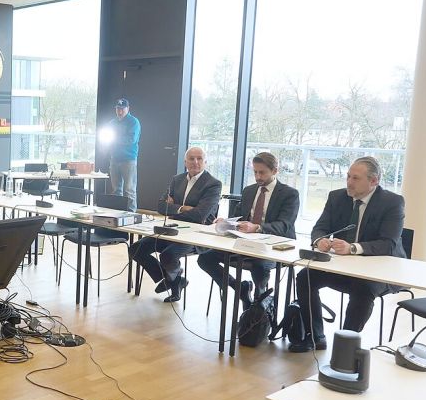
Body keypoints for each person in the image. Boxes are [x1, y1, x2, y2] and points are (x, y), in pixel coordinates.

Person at [292, 156, 405, 352]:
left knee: (363, 289)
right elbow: (319, 228)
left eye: (355, 178)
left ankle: (344, 347)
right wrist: (321, 241)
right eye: (348, 176)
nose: (349, 183)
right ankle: (315, 336)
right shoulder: (337, 197)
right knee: (305, 277)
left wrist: (353, 248)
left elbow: (388, 244)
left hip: (380, 270)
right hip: (343, 266)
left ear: (374, 181)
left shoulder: (392, 202)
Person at [197, 152, 299, 309]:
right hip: (244, 244)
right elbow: (238, 216)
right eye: (255, 172)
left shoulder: (289, 194)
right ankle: (239, 288)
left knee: (259, 265)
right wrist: (226, 222)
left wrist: (258, 227)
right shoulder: (249, 191)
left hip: (273, 248)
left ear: (275, 171)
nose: (258, 177)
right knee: (205, 259)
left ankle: (258, 308)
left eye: (262, 172)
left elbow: (285, 225)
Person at [128, 147, 222, 303]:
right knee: (135, 249)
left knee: (168, 255)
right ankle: (173, 279)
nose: (195, 162)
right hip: (172, 229)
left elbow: (200, 215)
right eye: (191, 159)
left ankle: (172, 279)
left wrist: (173, 208)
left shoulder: (213, 184)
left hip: (196, 235)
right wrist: (183, 208)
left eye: (199, 158)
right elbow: (160, 206)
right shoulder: (177, 179)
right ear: (185, 162)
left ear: (205, 162)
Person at [108, 98, 141, 210]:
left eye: (122, 108)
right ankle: (116, 212)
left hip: (129, 159)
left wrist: (115, 139)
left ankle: (131, 214)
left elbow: (131, 139)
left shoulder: (133, 122)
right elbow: (107, 138)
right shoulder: (112, 123)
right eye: (118, 108)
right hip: (114, 158)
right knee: (116, 189)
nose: (120, 111)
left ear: (128, 109)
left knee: (129, 189)